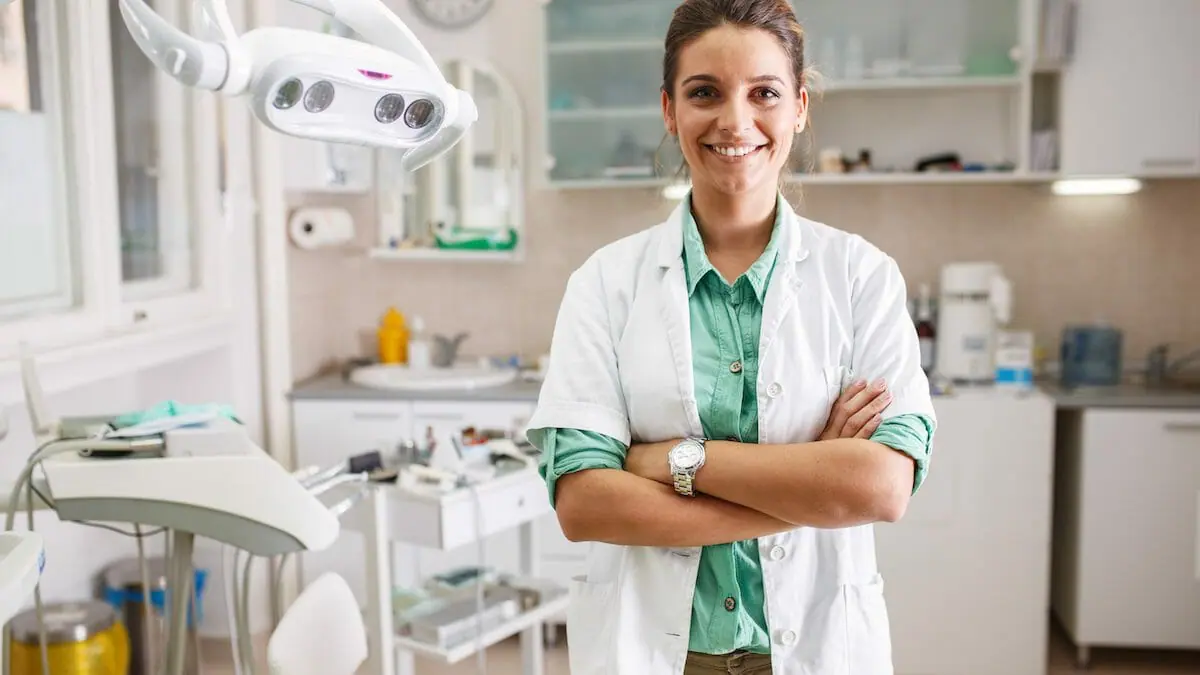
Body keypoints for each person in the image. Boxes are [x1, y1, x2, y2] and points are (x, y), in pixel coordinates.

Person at [523, 0, 936, 672]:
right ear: (669, 109)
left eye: (764, 93)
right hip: (658, 650)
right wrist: (812, 485)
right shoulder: (606, 282)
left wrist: (670, 460)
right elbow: (585, 501)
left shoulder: (861, 276)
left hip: (817, 642)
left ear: (800, 108)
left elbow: (882, 487)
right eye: (704, 93)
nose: (734, 120)